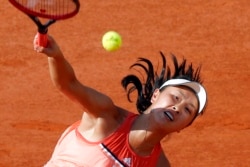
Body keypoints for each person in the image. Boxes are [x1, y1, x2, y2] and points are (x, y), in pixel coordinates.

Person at [33, 35, 207, 167]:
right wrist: (55, 57)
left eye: (187, 110)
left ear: (184, 127)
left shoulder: (157, 164)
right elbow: (68, 85)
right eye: (175, 97)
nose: (177, 107)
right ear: (155, 95)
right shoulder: (106, 118)